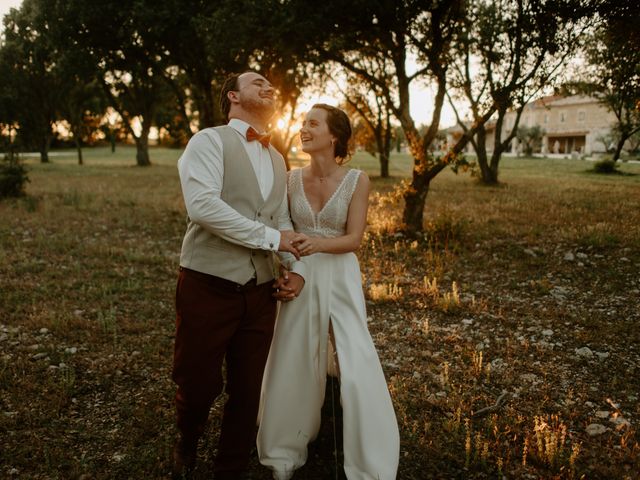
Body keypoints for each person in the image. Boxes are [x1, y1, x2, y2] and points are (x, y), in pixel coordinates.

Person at [172, 71, 306, 480]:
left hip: (262, 291)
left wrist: (296, 270)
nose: (268, 87)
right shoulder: (208, 142)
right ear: (233, 95)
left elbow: (281, 218)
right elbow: (204, 208)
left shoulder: (278, 157)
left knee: (248, 390)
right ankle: (187, 439)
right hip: (208, 283)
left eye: (271, 85)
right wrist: (271, 239)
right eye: (257, 82)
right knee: (198, 383)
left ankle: (229, 469)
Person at [257, 104, 400, 479]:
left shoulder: (357, 180)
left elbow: (353, 239)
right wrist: (293, 269)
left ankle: (370, 455)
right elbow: (284, 228)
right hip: (299, 272)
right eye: (302, 123)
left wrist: (318, 246)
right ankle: (284, 448)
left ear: (333, 135)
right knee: (293, 352)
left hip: (339, 272)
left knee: (355, 354)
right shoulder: (289, 179)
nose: (303, 128)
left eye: (312, 124)